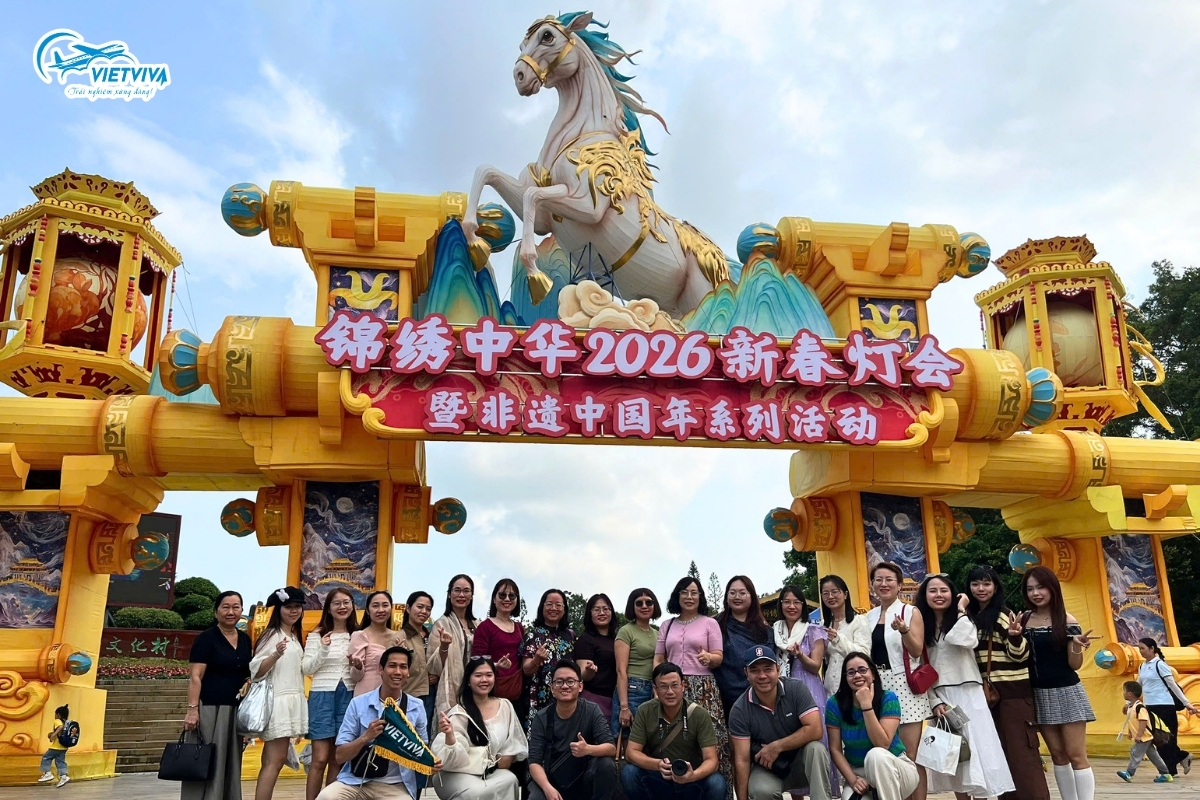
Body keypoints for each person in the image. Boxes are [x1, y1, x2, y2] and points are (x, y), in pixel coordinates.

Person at [915, 574, 1015, 799]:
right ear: (924, 595)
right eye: (932, 591)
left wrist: (961, 608)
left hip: (969, 693)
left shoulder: (964, 618)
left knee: (978, 754)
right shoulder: (920, 626)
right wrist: (934, 701)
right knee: (956, 758)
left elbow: (966, 640)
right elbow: (919, 667)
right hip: (942, 696)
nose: (939, 595)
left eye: (944, 590)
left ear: (953, 594)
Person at [965, 564, 1048, 800]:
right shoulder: (970, 617)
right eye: (975, 584)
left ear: (995, 586)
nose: (981, 589)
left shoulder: (1003, 615)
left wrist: (1015, 637)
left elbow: (1020, 656)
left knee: (1022, 759)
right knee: (1001, 759)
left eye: (986, 583)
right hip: (988, 698)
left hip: (1013, 696)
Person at [318, 645, 441, 800]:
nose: (398, 672)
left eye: (403, 667)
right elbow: (340, 756)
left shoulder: (416, 706)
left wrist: (431, 763)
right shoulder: (358, 703)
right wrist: (366, 737)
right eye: (392, 666)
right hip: (355, 781)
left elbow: (420, 750)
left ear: (408, 672)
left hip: (395, 785)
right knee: (326, 797)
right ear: (381, 669)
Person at [1020, 565, 1097, 800]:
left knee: (1076, 755)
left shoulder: (1067, 620)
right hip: (1038, 693)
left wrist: (1077, 646)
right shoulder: (1023, 619)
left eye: (1041, 587)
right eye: (1030, 589)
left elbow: (1074, 665)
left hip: (1067, 692)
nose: (1036, 593)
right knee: (1057, 755)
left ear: (1052, 588)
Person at [728, 644, 831, 800]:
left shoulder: (796, 688)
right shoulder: (739, 710)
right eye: (754, 670)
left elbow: (816, 730)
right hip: (768, 768)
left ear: (778, 669)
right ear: (746, 673)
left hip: (800, 763)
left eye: (767, 669)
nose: (762, 675)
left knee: (817, 749)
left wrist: (777, 746)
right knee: (760, 791)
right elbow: (742, 760)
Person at [655, 577, 729, 794]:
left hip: (704, 687)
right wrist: (656, 685)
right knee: (675, 740)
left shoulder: (710, 623)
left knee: (714, 741)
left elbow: (719, 657)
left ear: (700, 597)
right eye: (684, 592)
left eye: (694, 592)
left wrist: (709, 657)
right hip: (672, 687)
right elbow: (658, 658)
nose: (689, 597)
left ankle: (718, 791)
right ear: (677, 596)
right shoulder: (667, 625)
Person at [863, 562, 929, 800]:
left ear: (899, 585)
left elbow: (917, 651)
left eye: (889, 579)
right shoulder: (868, 617)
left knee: (910, 754)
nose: (883, 584)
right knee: (886, 750)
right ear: (872, 585)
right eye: (878, 579)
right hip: (878, 686)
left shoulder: (911, 612)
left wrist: (903, 630)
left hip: (904, 684)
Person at [621, 662, 725, 800]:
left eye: (675, 685)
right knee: (629, 772)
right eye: (663, 686)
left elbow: (712, 760)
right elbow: (631, 753)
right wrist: (657, 765)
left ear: (683, 686)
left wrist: (693, 775)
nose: (670, 692)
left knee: (716, 782)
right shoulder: (645, 710)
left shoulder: (699, 714)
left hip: (691, 779)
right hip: (659, 777)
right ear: (655, 689)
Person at [183, 590, 251, 800]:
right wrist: (192, 710)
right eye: (225, 607)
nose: (231, 612)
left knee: (230, 760)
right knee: (207, 758)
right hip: (210, 709)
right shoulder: (206, 638)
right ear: (216, 612)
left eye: (236, 607)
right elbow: (196, 676)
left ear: (241, 610)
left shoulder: (245, 639)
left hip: (234, 710)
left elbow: (247, 673)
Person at [431, 655, 529, 800]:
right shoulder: (459, 712)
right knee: (476, 792)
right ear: (468, 681)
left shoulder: (505, 706)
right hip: (459, 772)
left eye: (489, 675)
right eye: (478, 675)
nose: (484, 680)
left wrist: (506, 757)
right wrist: (450, 735)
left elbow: (513, 743)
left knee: (510, 780)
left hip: (491, 770)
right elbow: (452, 759)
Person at [825, 653, 919, 800]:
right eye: (851, 672)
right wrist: (853, 780)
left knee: (876, 755)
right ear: (845, 678)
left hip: (896, 767)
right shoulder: (834, 704)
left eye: (862, 670)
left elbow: (883, 744)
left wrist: (866, 706)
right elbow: (835, 749)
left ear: (873, 674)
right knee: (849, 798)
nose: (857, 675)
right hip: (860, 773)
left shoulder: (888, 698)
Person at [773, 585, 835, 793]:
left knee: (815, 742)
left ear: (803, 605)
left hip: (808, 688)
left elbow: (815, 666)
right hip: (781, 690)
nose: (791, 606)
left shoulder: (813, 630)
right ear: (781, 605)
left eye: (796, 602)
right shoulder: (775, 631)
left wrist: (800, 655)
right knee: (791, 743)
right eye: (787, 602)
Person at [250, 586, 309, 800]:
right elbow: (256, 670)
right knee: (273, 762)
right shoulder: (272, 635)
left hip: (290, 699)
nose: (294, 611)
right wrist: (275, 654)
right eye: (288, 607)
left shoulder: (292, 636)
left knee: (274, 761)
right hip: (278, 702)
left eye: (297, 607)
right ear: (278, 609)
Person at [527, 660, 618, 800]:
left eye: (570, 681)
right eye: (559, 682)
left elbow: (611, 748)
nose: (565, 686)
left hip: (583, 777)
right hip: (552, 779)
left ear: (580, 686)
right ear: (552, 688)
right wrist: (548, 788)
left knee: (606, 765)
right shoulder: (541, 717)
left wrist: (588, 749)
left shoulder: (592, 710)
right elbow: (534, 761)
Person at [303, 588, 361, 800]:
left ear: (353, 605)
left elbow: (360, 674)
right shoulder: (317, 634)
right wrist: (323, 649)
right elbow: (307, 668)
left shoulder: (358, 635)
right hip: (322, 696)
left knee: (338, 758)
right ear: (328, 608)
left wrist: (358, 666)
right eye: (336, 603)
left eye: (346, 602)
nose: (342, 607)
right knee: (319, 759)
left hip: (349, 695)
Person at [1137, 637, 1198, 777]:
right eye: (1139, 648)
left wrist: (1187, 703)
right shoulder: (1142, 666)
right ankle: (1181, 757)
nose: (1140, 651)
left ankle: (1170, 771)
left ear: (1152, 649)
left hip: (1165, 706)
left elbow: (1173, 686)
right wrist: (1130, 702)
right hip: (1150, 706)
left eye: (1143, 648)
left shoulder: (1160, 665)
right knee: (1157, 739)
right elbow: (1138, 686)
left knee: (1167, 739)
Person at [714, 576, 773, 720]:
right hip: (724, 696)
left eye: (742, 593)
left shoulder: (765, 631)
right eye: (732, 592)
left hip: (759, 694)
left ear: (752, 596)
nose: (737, 597)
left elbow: (768, 663)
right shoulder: (715, 625)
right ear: (726, 596)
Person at [521, 588, 576, 732]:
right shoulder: (532, 635)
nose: (554, 608)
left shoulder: (570, 636)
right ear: (542, 607)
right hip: (538, 697)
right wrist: (536, 660)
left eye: (558, 605)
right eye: (549, 604)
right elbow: (526, 670)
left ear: (564, 609)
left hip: (565, 695)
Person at [472, 579, 526, 716]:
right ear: (494, 599)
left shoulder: (520, 628)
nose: (507, 599)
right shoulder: (485, 627)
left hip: (517, 692)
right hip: (491, 692)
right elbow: (476, 661)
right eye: (502, 595)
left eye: (512, 596)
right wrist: (496, 665)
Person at [430, 574, 480, 716]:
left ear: (472, 596)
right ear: (449, 594)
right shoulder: (441, 624)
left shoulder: (477, 625)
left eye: (466, 591)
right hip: (452, 688)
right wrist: (444, 647)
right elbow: (434, 667)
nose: (461, 595)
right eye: (457, 590)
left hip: (476, 688)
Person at [615, 589, 661, 736]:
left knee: (651, 738)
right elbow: (621, 671)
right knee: (631, 737)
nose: (644, 606)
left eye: (649, 602)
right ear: (632, 607)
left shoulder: (657, 633)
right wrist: (624, 707)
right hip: (632, 689)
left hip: (654, 689)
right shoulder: (626, 631)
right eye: (639, 603)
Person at [818, 575, 870, 699]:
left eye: (835, 591)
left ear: (845, 594)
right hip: (830, 687)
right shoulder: (823, 625)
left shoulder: (859, 621)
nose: (830, 596)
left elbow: (864, 654)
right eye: (825, 593)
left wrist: (838, 640)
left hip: (854, 686)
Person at [1117, 680, 1173, 783]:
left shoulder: (1140, 707)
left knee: (1135, 752)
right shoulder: (1131, 707)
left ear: (1130, 694)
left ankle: (1129, 773)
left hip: (1144, 736)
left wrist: (1139, 735)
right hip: (1144, 737)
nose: (1123, 693)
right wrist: (1130, 732)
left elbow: (1143, 721)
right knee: (1154, 756)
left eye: (1124, 691)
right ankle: (1165, 774)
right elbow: (1132, 721)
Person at [350, 591, 403, 697]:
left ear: (391, 608)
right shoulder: (359, 636)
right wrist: (358, 666)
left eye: (385, 605)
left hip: (392, 694)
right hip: (366, 694)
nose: (381, 610)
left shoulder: (398, 636)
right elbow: (355, 677)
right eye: (375, 606)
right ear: (367, 611)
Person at [574, 593, 618, 721]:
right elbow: (582, 674)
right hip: (593, 699)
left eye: (606, 609)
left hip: (615, 700)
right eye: (596, 609)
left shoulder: (618, 639)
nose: (602, 613)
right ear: (590, 614)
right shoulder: (586, 639)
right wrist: (589, 671)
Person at [401, 591, 436, 725]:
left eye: (428, 609)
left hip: (432, 693)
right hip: (410, 694)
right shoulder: (400, 637)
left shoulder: (433, 636)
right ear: (408, 608)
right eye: (420, 607)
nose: (424, 611)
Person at [38, 704, 71, 787]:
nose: (55, 716)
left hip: (56, 746)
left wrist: (53, 735)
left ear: (58, 714)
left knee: (46, 757)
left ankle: (47, 773)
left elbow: (60, 727)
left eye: (55, 714)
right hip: (64, 747)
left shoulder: (58, 721)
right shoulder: (67, 722)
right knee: (60, 761)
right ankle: (64, 776)